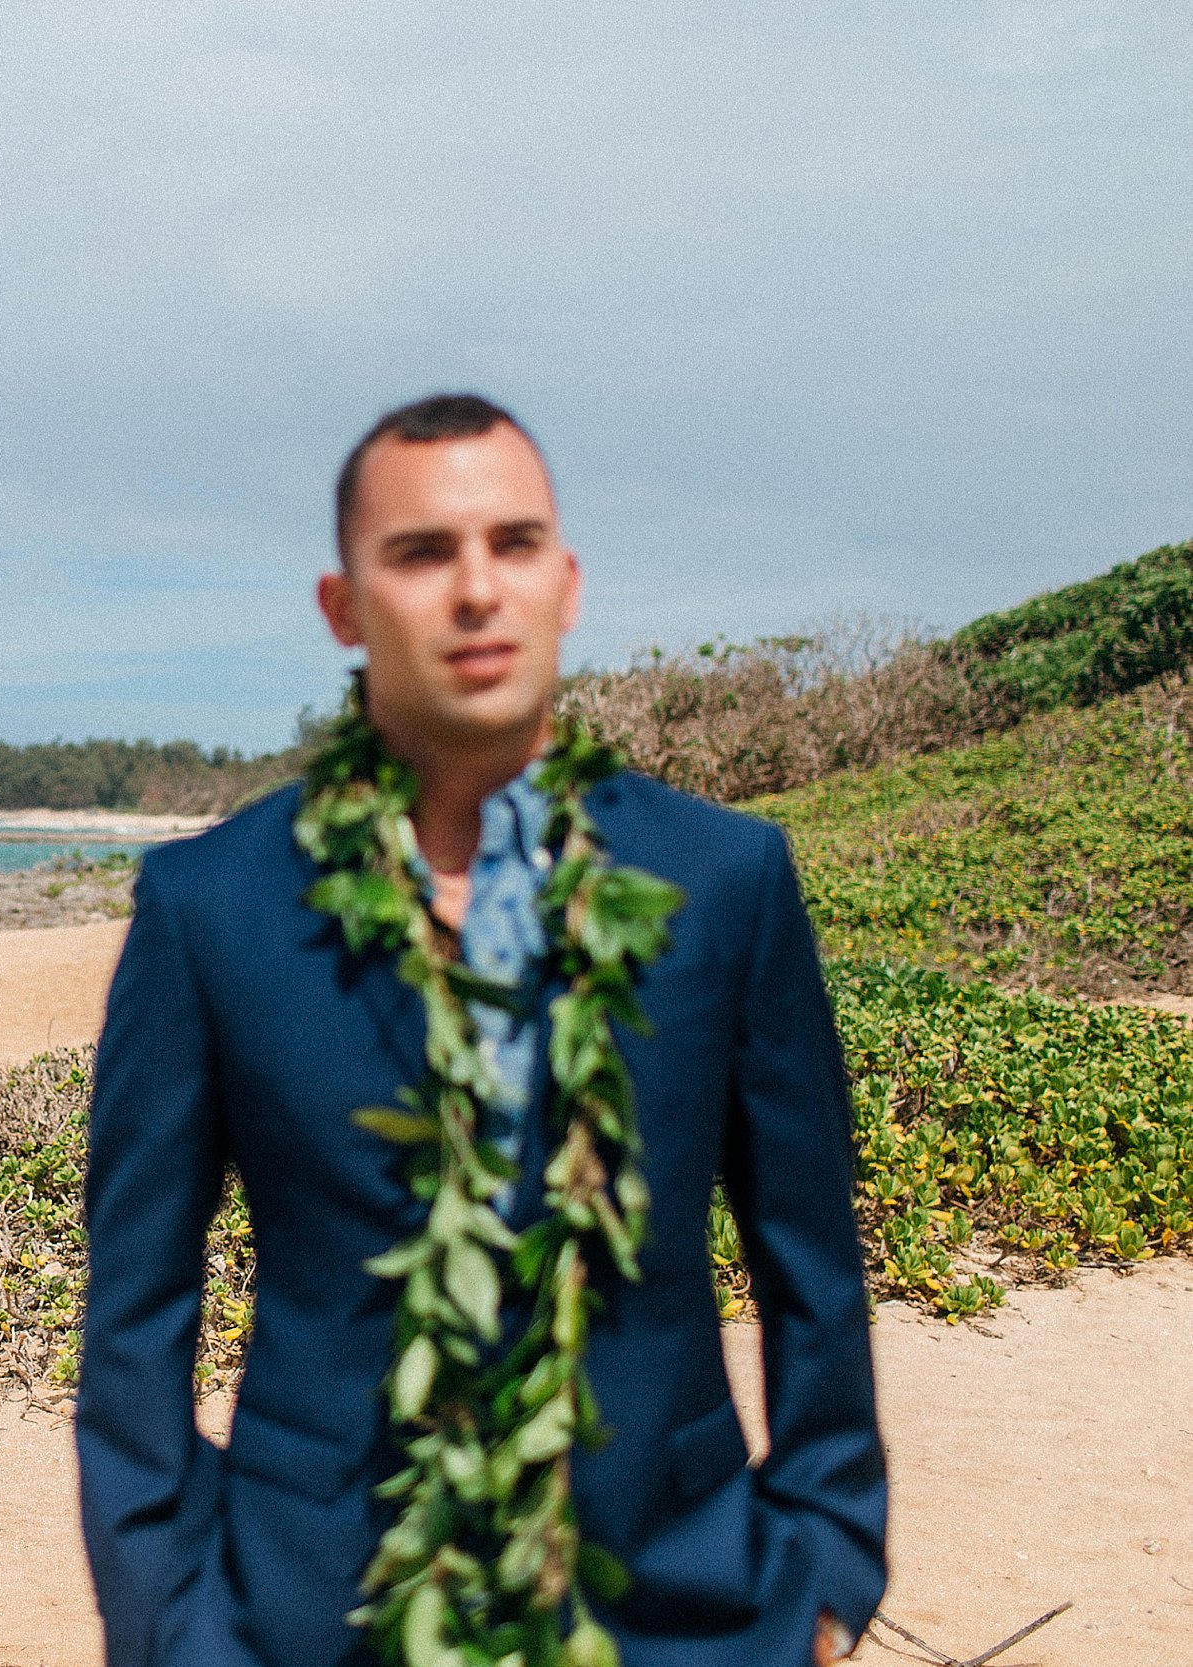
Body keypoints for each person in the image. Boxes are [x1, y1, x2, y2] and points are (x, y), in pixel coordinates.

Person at [74, 395, 886, 1666]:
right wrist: (169, 1617)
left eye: (512, 545)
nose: (474, 590)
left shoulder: (721, 879)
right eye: (420, 553)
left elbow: (813, 1262)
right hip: (313, 1613)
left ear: (565, 582)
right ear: (343, 606)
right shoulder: (211, 907)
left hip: (682, 1607)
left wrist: (824, 1564)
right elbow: (134, 1307)